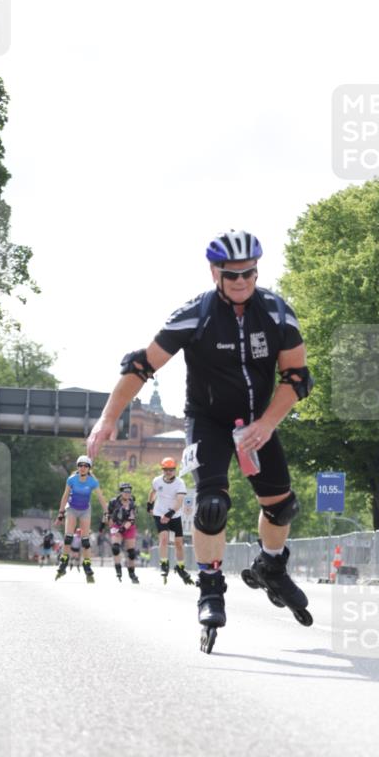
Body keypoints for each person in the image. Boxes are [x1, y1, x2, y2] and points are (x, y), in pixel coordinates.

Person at [88, 229, 314, 650]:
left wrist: (266, 424)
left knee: (283, 508)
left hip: (257, 422)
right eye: (232, 275)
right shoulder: (195, 314)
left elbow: (297, 378)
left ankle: (271, 567)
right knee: (211, 506)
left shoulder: (278, 313)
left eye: (249, 273)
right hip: (207, 422)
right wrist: (107, 420)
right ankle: (210, 588)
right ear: (215, 272)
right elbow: (140, 365)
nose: (242, 282)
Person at [55, 455, 108, 582]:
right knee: (68, 537)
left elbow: (101, 498)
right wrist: (60, 513)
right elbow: (65, 496)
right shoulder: (72, 479)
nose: (83, 468)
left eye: (85, 466)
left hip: (85, 510)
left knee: (85, 540)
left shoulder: (92, 482)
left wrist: (107, 513)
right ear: (78, 467)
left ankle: (87, 566)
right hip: (72, 509)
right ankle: (63, 562)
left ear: (89, 468)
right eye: (80, 465)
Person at [147, 456, 194, 585]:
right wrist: (149, 504)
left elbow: (179, 501)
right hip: (159, 513)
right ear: (163, 470)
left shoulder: (180, 483)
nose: (169, 472)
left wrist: (170, 513)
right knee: (164, 538)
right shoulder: (157, 481)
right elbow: (152, 492)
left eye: (171, 470)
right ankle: (164, 563)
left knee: (178, 543)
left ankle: (180, 566)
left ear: (175, 469)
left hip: (174, 514)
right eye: (166, 470)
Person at [106, 482, 140, 583]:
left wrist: (123, 529)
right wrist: (110, 526)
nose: (127, 493)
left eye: (129, 491)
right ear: (121, 492)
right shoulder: (113, 502)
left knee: (131, 553)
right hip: (117, 525)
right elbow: (108, 515)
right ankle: (118, 569)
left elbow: (131, 520)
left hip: (129, 527)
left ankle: (132, 573)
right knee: (115, 548)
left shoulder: (132, 504)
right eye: (125, 491)